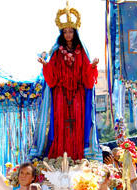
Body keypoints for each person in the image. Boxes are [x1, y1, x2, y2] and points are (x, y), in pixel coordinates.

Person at [31, 2, 100, 160]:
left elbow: (87, 79)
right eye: (65, 31)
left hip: (78, 95)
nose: (68, 34)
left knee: (77, 125)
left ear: (75, 33)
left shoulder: (82, 51)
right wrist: (46, 66)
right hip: (61, 95)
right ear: (62, 33)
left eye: (71, 31)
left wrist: (93, 67)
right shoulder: (56, 52)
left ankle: (77, 157)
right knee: (61, 125)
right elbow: (52, 79)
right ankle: (60, 157)